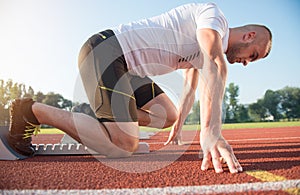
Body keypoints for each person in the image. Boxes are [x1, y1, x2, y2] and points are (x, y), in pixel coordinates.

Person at [8, 2, 272, 173]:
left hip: (130, 72)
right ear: (249, 37)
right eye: (254, 55)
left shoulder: (204, 51)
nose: (247, 63)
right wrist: (210, 131)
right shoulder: (213, 18)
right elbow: (215, 64)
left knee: (166, 115)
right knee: (123, 146)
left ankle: (97, 115)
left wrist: (178, 127)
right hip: (108, 51)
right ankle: (31, 111)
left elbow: (193, 87)